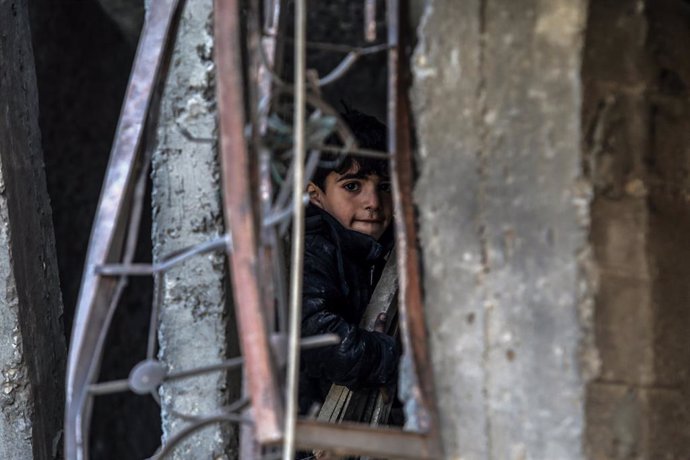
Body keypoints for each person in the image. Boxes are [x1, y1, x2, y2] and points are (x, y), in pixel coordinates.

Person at [299, 108, 399, 415]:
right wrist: (386, 355)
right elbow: (318, 340)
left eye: (384, 187)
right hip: (310, 434)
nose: (373, 202)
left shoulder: (394, 247)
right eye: (352, 186)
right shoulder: (311, 249)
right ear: (316, 195)